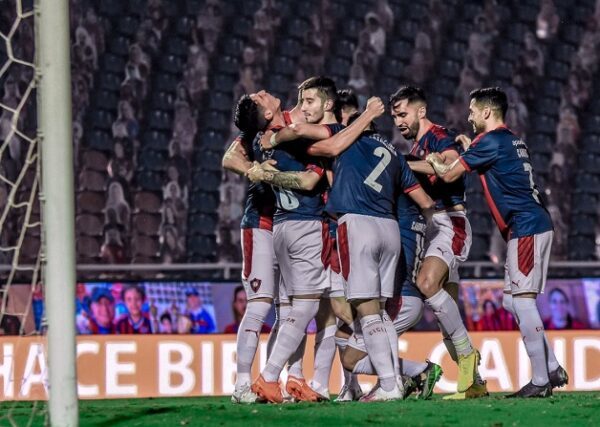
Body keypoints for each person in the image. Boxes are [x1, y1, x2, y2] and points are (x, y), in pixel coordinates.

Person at [427, 87, 568, 397]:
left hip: (526, 227)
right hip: (531, 224)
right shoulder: (509, 140)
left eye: (473, 111)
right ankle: (553, 366)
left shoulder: (489, 142)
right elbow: (488, 161)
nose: (469, 116)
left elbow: (449, 175)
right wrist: (469, 147)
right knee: (510, 301)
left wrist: (434, 161)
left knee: (522, 301)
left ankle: (543, 381)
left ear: (487, 113)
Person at [390, 86, 486, 400]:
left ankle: (469, 355)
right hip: (433, 229)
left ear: (421, 110)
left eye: (403, 113)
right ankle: (475, 384)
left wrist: (401, 165)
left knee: (426, 283)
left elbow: (448, 166)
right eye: (394, 116)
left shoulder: (439, 137)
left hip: (450, 223)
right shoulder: (417, 145)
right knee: (447, 319)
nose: (398, 121)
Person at [222, 88, 305, 404]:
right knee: (258, 304)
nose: (263, 92)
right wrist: (252, 169)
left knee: (291, 309)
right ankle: (242, 384)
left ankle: (288, 382)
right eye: (259, 98)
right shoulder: (254, 140)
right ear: (266, 114)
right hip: (260, 225)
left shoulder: (294, 125)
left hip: (292, 227)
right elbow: (229, 156)